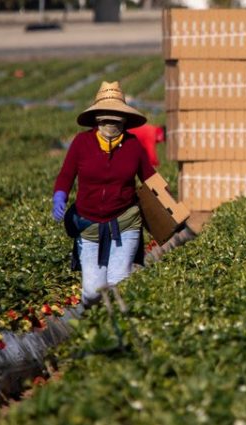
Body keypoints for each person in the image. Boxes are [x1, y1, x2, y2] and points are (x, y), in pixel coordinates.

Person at [51, 81, 155, 308]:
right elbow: (66, 175)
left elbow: (150, 178)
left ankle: (116, 330)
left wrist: (168, 207)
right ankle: (95, 322)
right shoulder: (82, 143)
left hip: (125, 222)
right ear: (97, 118)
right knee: (92, 293)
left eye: (116, 118)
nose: (110, 123)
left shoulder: (132, 145)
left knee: (118, 283)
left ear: (124, 120)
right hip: (88, 225)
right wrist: (60, 195)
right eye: (105, 118)